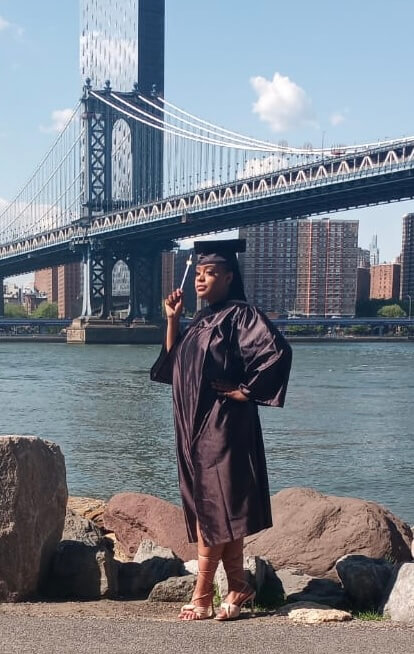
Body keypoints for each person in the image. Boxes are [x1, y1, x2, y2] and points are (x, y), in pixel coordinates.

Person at [150, 239, 292, 621]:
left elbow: (276, 351)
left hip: (223, 425)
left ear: (229, 277)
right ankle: (239, 585)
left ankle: (201, 594)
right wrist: (173, 319)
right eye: (198, 273)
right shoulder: (202, 320)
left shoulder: (241, 316)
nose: (200, 280)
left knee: (213, 507)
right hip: (192, 425)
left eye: (210, 273)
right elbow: (173, 363)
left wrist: (245, 392)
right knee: (216, 505)